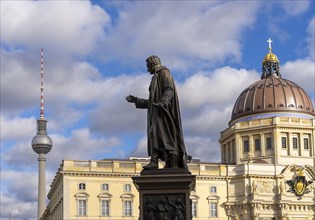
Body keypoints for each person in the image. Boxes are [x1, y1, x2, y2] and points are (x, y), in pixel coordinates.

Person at [126, 55, 189, 170]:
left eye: (148, 66)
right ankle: (156, 161)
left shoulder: (164, 73)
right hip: (156, 111)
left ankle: (169, 161)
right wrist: (137, 100)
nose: (147, 69)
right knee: (155, 135)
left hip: (163, 112)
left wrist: (163, 102)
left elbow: (169, 89)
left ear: (152, 64)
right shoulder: (156, 76)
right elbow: (152, 101)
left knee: (163, 135)